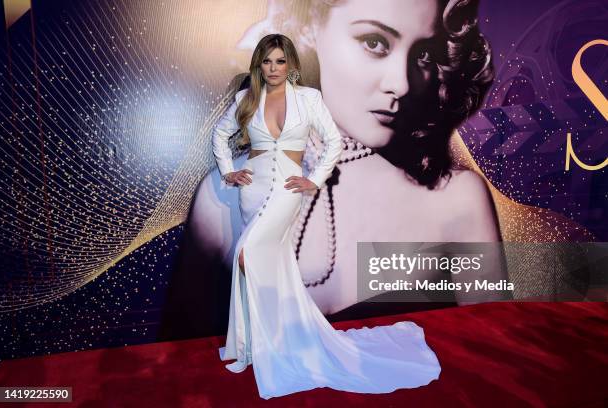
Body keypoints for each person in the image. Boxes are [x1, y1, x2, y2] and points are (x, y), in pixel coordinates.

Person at [189, 0, 507, 318]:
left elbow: (494, 358)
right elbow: (175, 362)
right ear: (308, 25)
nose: (402, 84)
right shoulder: (222, 197)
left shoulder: (457, 201)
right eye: (374, 43)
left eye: (424, 53)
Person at [212, 33, 440, 399]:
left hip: (288, 190)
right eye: (267, 62)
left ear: (291, 65)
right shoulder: (246, 98)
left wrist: (314, 179)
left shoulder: (308, 99)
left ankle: (273, 347)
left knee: (247, 255)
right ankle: (254, 346)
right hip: (252, 192)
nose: (273, 68)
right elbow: (220, 135)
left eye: (280, 61)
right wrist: (227, 170)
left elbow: (332, 141)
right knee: (264, 266)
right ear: (259, 64)